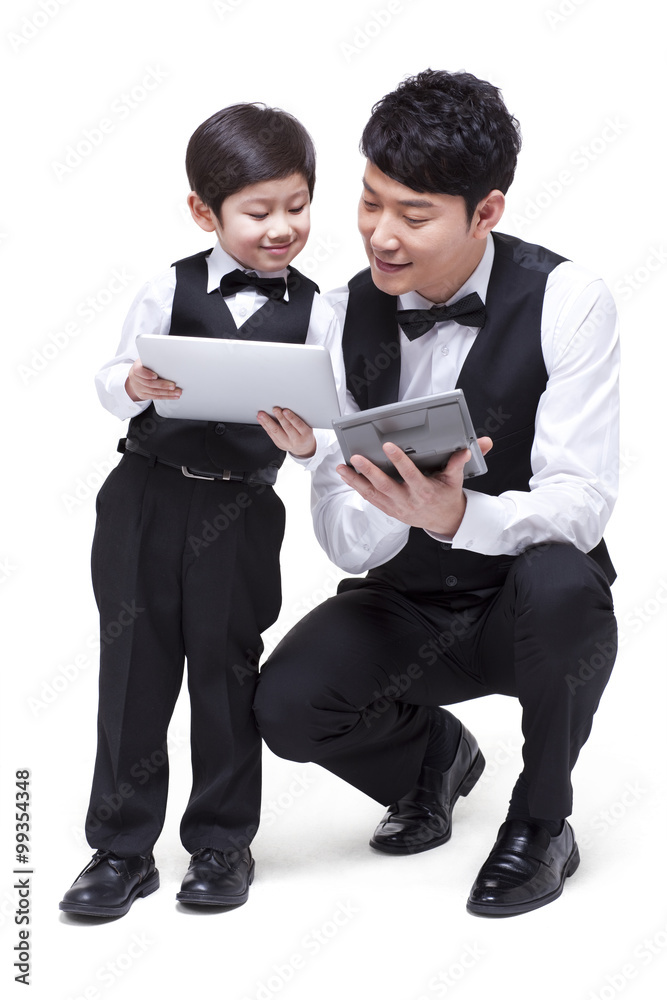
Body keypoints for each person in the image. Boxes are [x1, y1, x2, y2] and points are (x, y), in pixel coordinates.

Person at [254, 69, 620, 917]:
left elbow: (581, 499)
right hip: (407, 599)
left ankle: (542, 822)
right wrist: (381, 505)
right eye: (370, 201)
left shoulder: (569, 301)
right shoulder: (339, 315)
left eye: (413, 216)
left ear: (484, 212)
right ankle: (432, 763)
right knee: (285, 705)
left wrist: (459, 515)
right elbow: (344, 539)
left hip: (524, 607)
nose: (381, 235)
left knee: (564, 578)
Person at [59, 103, 342, 917]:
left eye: (296, 206)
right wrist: (133, 386)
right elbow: (112, 377)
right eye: (258, 212)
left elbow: (328, 422)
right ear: (203, 211)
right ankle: (119, 851)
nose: (281, 227)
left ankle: (221, 843)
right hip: (144, 497)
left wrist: (303, 445)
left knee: (224, 674)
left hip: (241, 512)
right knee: (133, 672)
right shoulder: (167, 287)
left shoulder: (319, 309)